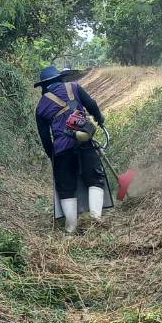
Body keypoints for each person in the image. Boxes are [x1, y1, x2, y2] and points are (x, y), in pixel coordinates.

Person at [34, 64, 113, 234]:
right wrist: (99, 119)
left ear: (44, 86)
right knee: (95, 178)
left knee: (66, 188)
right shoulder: (74, 87)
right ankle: (95, 217)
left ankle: (71, 227)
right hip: (84, 142)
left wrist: (52, 156)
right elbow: (92, 104)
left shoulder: (40, 107)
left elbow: (45, 138)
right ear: (59, 79)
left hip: (61, 150)